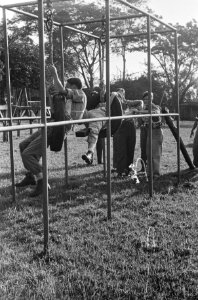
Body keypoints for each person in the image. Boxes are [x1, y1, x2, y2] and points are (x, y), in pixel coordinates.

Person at [15, 65, 87, 197]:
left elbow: (62, 90)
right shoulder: (67, 98)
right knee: (23, 145)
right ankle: (31, 176)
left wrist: (54, 74)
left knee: (27, 154)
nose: (65, 87)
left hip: (60, 127)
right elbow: (54, 111)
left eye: (67, 85)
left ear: (74, 86)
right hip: (53, 123)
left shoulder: (80, 94)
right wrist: (50, 95)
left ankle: (42, 182)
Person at [112, 88, 144, 176]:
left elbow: (140, 101)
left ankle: (129, 169)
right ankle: (120, 171)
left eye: (122, 94)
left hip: (130, 125)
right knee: (121, 149)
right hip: (120, 127)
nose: (121, 95)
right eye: (119, 94)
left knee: (131, 148)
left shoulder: (128, 102)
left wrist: (138, 108)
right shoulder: (113, 104)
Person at [138, 91, 163, 178]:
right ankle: (149, 172)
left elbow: (156, 114)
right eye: (144, 99)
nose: (146, 100)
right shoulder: (144, 108)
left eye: (148, 99)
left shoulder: (155, 107)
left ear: (152, 98)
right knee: (148, 153)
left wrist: (141, 112)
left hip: (156, 131)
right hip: (149, 131)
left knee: (155, 154)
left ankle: (156, 173)